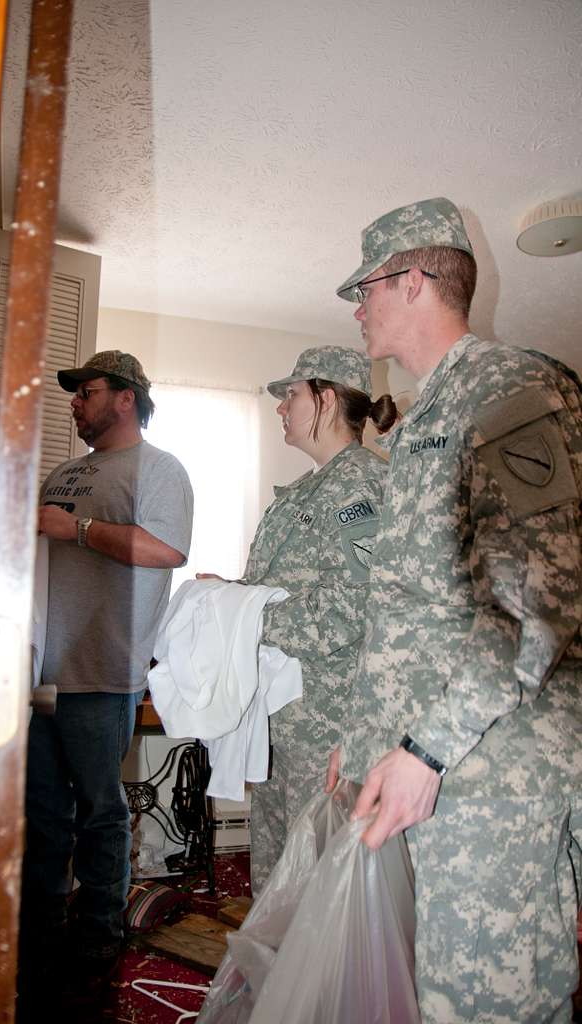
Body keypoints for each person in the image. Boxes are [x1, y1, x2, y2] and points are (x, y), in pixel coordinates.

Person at [328, 197, 582, 1023]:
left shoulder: (514, 390)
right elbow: (416, 611)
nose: (357, 308)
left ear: (410, 280)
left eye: (363, 289)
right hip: (441, 760)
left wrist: (426, 750)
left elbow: (537, 600)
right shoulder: (421, 422)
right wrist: (367, 736)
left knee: (483, 1005)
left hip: (496, 772)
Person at [20, 350, 194, 1000]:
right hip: (36, 673)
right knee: (41, 815)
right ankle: (35, 936)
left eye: (86, 391)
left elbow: (167, 550)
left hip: (103, 671)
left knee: (98, 813)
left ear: (126, 397)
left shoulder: (160, 468)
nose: (75, 401)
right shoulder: (64, 472)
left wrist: (80, 528)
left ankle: (97, 938)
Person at [201, 346, 397, 894]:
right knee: (278, 882)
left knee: (321, 891)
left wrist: (244, 614)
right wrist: (228, 595)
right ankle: (277, 979)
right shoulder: (304, 492)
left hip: (329, 729)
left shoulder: (360, 486)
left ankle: (315, 984)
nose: (280, 407)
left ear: (326, 398)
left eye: (290, 395)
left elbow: (346, 613)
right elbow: (276, 593)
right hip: (283, 721)